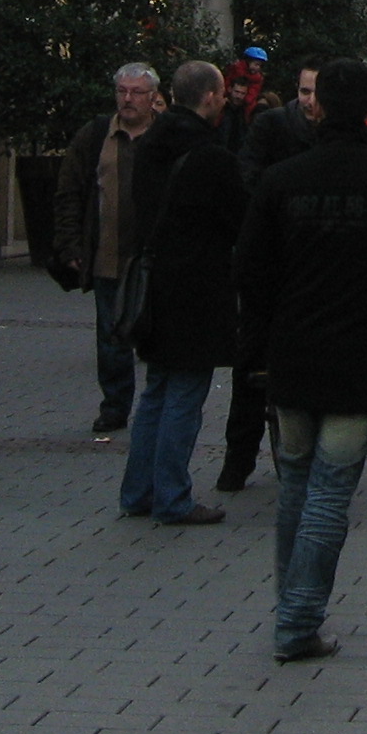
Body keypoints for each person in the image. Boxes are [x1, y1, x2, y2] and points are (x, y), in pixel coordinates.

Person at [236, 57, 367, 662]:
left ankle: (290, 608)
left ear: (318, 107)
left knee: (295, 483)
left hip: (293, 351)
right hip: (357, 352)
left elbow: (249, 268)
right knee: (330, 490)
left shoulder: (282, 181)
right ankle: (298, 619)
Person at [121, 60, 250, 527]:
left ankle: (138, 490)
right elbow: (240, 220)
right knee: (185, 393)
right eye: (221, 93)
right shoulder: (210, 156)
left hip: (155, 283)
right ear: (210, 97)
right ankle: (173, 496)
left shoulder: (150, 144)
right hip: (198, 288)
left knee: (156, 390)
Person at [218, 60, 323, 491]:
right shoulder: (272, 125)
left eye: (317, 93)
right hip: (268, 262)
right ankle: (238, 458)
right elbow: (246, 175)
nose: (310, 101)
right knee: (251, 364)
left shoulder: (338, 133)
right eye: (304, 91)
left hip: (313, 268)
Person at [54, 62, 163, 436]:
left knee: (154, 335)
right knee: (111, 337)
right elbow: (69, 191)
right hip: (107, 256)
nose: (128, 99)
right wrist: (70, 243)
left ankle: (155, 406)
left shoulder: (164, 136)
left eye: (136, 92)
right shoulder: (96, 135)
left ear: (153, 97)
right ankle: (115, 407)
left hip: (152, 258)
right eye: (122, 91)